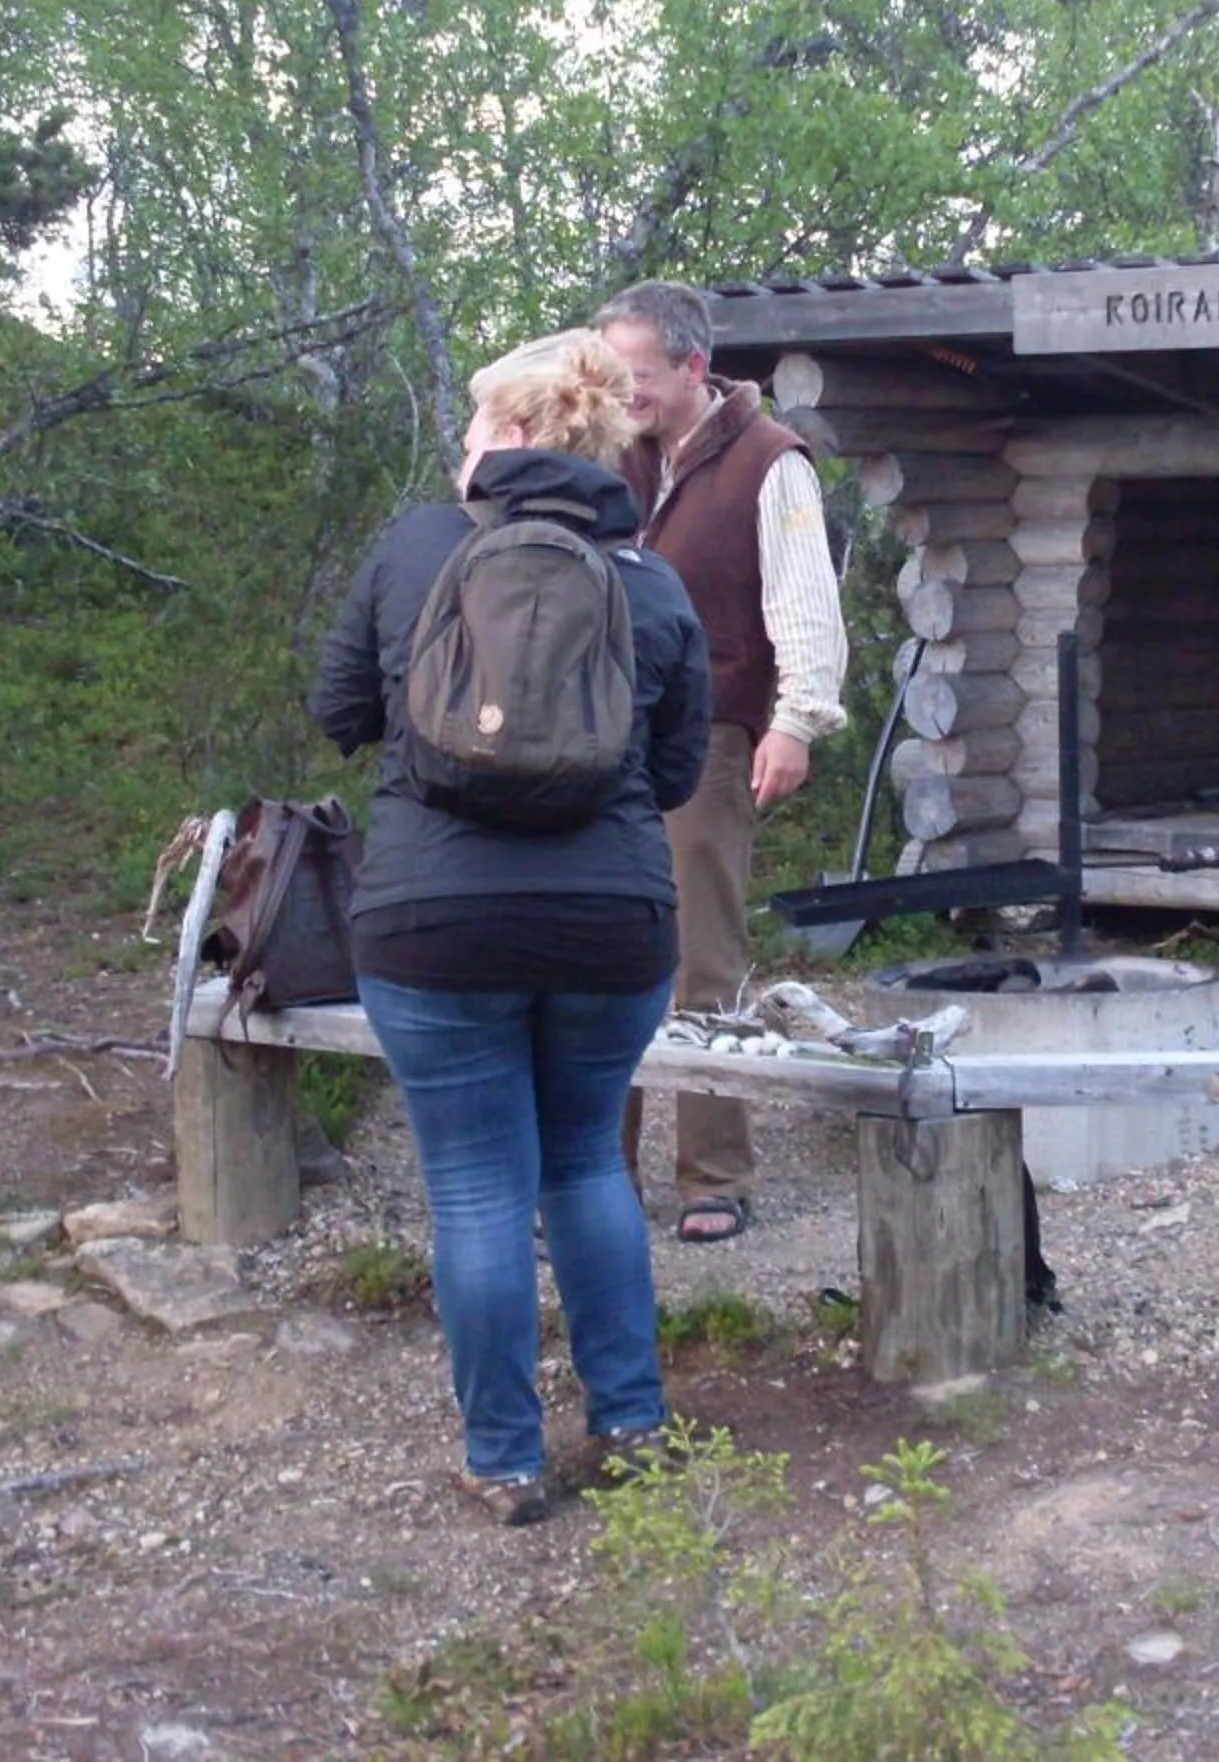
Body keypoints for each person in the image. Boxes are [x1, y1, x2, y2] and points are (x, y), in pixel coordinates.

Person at [308, 330, 710, 1527]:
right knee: (586, 1162)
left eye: (477, 426)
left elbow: (336, 709)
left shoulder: (415, 549)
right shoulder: (651, 581)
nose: (463, 446)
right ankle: (630, 1424)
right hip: (610, 922)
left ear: (521, 434)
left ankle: (505, 1460)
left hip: (433, 922)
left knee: (479, 1187)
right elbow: (678, 773)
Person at [595, 280, 849, 1245]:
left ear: (693, 366)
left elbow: (804, 602)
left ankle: (715, 1175)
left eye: (639, 374)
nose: (625, 391)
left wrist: (796, 722)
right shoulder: (609, 454)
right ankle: (596, 1171)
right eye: (614, 373)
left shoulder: (770, 462)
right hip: (597, 736)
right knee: (601, 951)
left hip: (707, 734)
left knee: (703, 956)